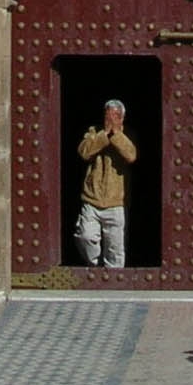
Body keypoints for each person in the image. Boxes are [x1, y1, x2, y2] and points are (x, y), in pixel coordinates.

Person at [74, 99, 139, 268]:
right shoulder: (93, 132)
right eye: (107, 114)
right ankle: (95, 267)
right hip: (92, 199)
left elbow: (131, 155)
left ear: (122, 117)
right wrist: (105, 135)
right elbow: (84, 152)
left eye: (115, 115)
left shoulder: (128, 135)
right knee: (85, 236)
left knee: (115, 248)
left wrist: (116, 135)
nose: (110, 118)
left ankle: (114, 282)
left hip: (116, 203)